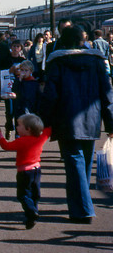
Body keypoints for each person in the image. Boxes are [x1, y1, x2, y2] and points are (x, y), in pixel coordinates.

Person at [40, 26, 113, 223]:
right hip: (92, 118)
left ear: (63, 41)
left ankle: (82, 209)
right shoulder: (97, 60)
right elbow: (107, 93)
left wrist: (43, 121)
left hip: (65, 118)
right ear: (84, 40)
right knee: (85, 163)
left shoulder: (57, 61)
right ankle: (81, 203)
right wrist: (111, 123)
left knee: (74, 163)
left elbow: (50, 95)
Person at [0, 114, 52, 229]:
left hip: (24, 172)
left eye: (19, 125)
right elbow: (47, 131)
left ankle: (31, 212)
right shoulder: (40, 138)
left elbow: (6, 146)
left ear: (27, 129)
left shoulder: (21, 141)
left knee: (23, 194)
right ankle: (33, 211)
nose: (17, 127)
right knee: (35, 193)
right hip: (37, 170)